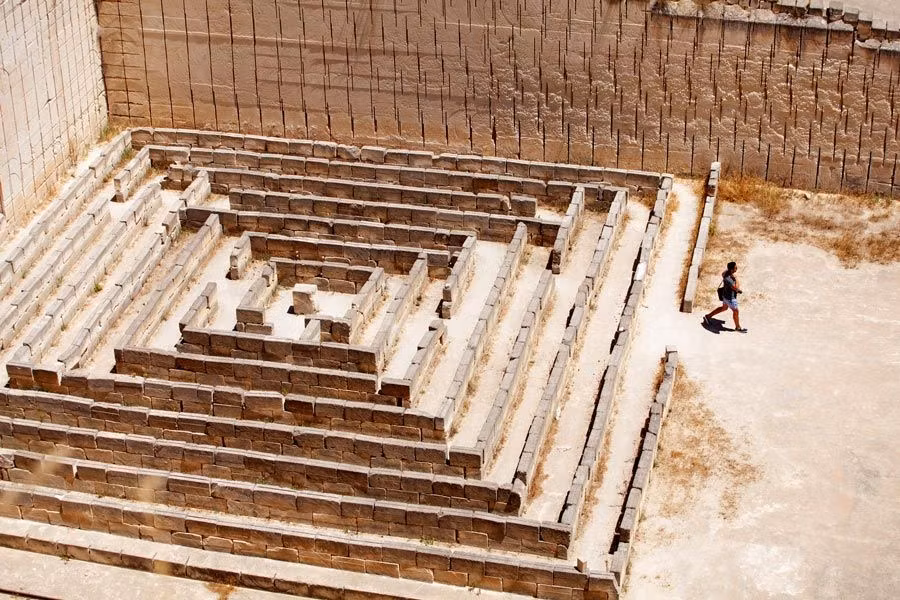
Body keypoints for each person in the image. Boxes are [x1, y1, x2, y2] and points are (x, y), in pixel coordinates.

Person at [703, 261, 747, 333]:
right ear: (732, 269)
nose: (737, 268)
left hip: (725, 296)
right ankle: (738, 327)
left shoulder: (726, 273)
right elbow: (736, 288)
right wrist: (736, 279)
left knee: (724, 308)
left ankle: (708, 316)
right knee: (736, 311)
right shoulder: (729, 279)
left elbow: (723, 273)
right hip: (730, 298)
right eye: (735, 267)